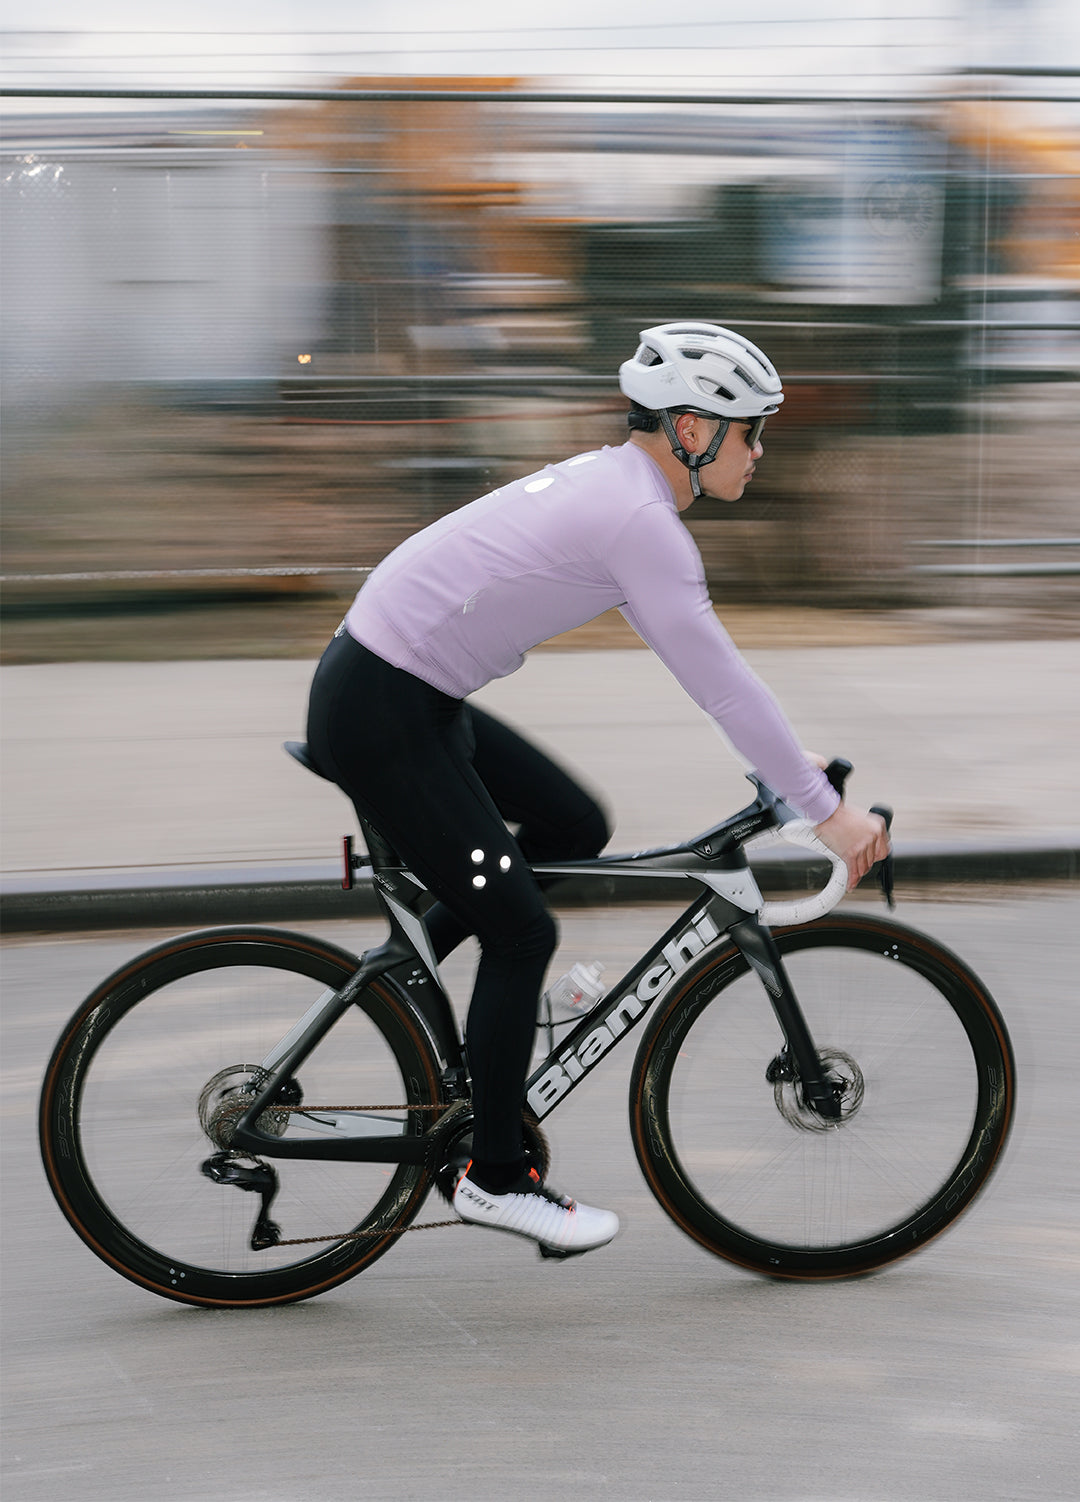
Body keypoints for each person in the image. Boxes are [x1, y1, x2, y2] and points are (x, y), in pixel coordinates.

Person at [305, 320, 889, 1259]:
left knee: (575, 822)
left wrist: (798, 772)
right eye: (751, 432)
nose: (760, 452)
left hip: (401, 688)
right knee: (522, 930)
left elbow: (718, 677)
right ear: (692, 431)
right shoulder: (638, 522)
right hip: (384, 706)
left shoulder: (619, 487)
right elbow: (723, 685)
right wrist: (828, 813)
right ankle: (494, 1179)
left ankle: (427, 968)